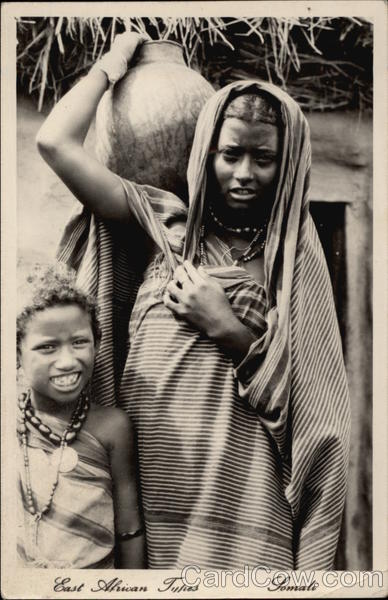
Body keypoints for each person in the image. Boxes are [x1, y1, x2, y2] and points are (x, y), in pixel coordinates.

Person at [36, 33, 350, 570]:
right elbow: (55, 143)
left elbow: (316, 408)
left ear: (290, 162)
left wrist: (225, 323)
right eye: (230, 154)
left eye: (264, 158)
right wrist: (110, 66)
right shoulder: (166, 224)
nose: (244, 173)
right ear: (207, 151)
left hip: (246, 503)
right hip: (152, 505)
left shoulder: (289, 258)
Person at [17, 264, 145, 568]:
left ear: (97, 344)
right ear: (16, 354)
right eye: (47, 347)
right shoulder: (11, 424)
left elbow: (129, 529)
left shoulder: (112, 427)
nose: (67, 361)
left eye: (79, 342)